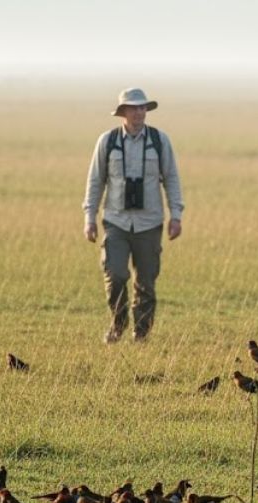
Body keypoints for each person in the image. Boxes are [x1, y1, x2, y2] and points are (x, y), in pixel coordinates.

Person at [83, 88, 184, 344]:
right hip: (116, 221)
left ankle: (141, 334)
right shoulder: (107, 141)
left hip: (150, 223)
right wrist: (89, 218)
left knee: (146, 283)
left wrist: (176, 215)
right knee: (115, 275)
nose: (139, 112)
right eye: (133, 108)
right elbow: (96, 181)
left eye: (142, 108)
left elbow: (171, 178)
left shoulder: (160, 141)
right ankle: (118, 325)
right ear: (123, 112)